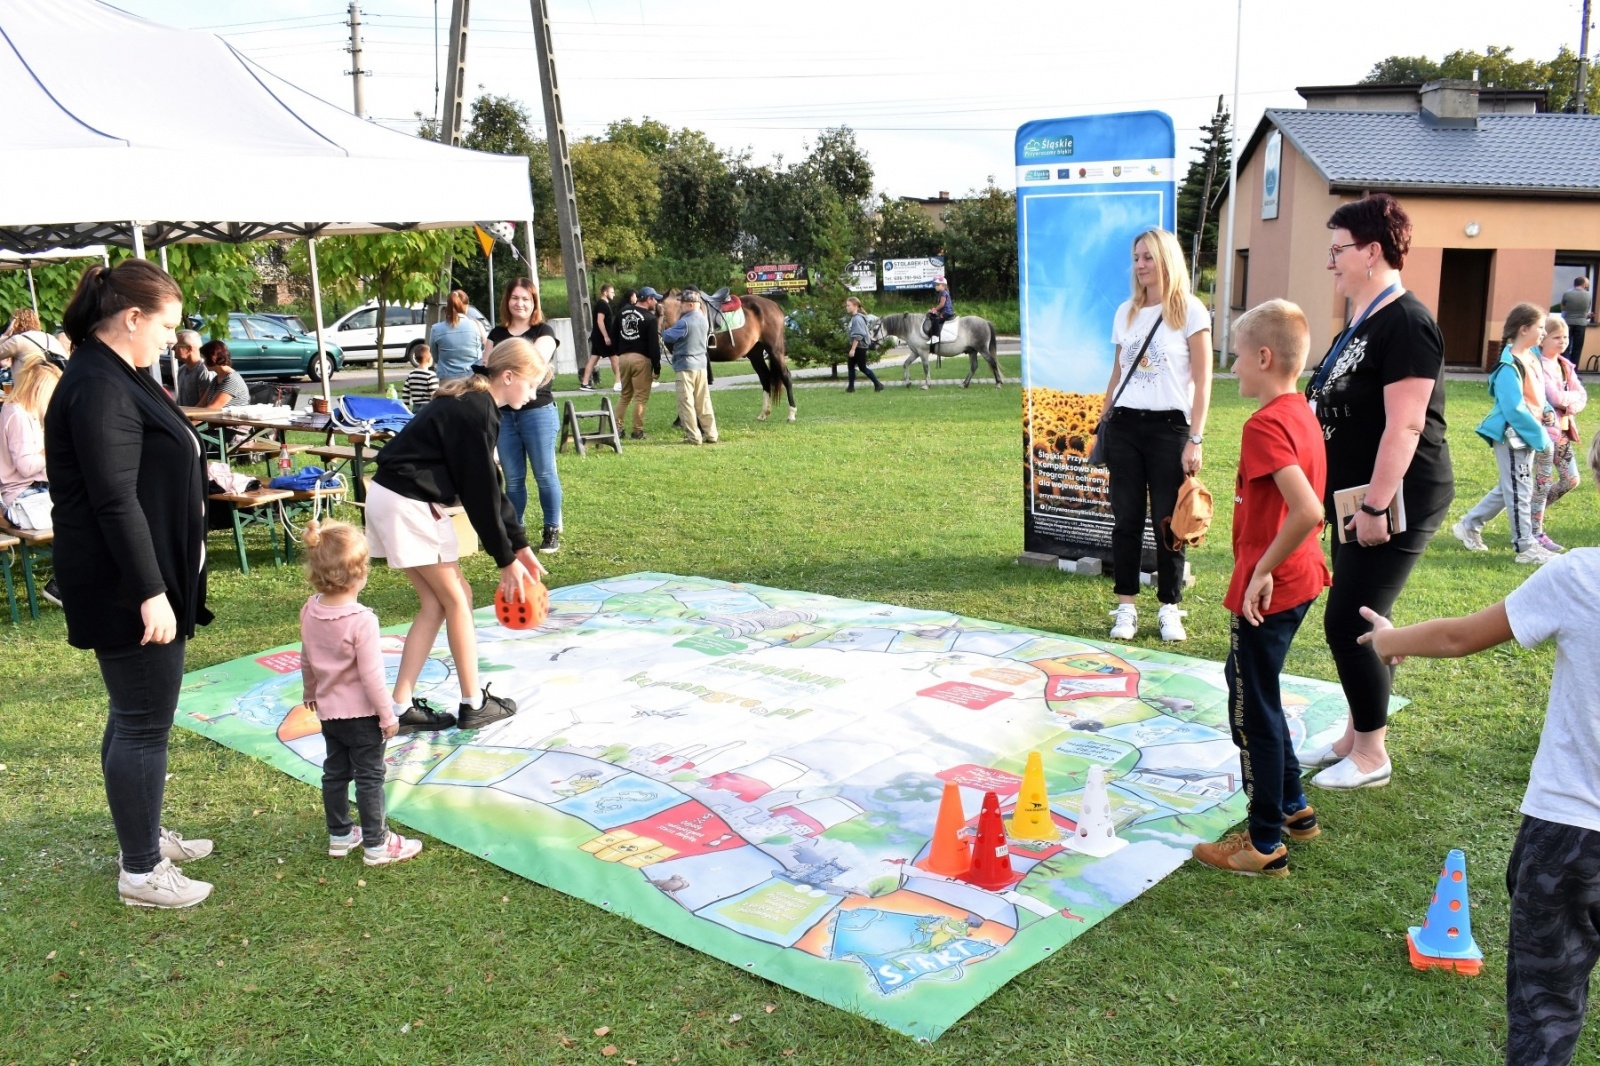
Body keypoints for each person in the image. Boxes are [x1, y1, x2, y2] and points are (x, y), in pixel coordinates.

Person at [1359, 445, 1600, 1066]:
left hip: (1569, 836)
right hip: (1568, 830)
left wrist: (1389, 638)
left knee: (1546, 1012)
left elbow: (1462, 635)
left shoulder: (1580, 576)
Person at [47, 258, 215, 909]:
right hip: (126, 586)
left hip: (141, 577)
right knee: (143, 721)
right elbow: (114, 499)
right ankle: (141, 872)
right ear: (132, 317)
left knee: (137, 718)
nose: (173, 341)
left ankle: (142, 836)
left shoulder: (118, 374)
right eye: (166, 326)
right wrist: (151, 592)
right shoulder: (99, 384)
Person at [1301, 193, 1454, 791]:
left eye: (1338, 250)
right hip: (1354, 496)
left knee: (1352, 621)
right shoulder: (1361, 319)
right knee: (1355, 615)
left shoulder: (1407, 321)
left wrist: (1373, 505)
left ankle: (1372, 754)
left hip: (1395, 497)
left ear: (1372, 251)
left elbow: (1407, 424)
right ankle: (1354, 735)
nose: (1331, 262)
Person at [1190, 299, 1328, 877]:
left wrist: (1263, 568)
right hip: (1300, 581)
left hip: (1270, 589)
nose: (1232, 366)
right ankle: (1294, 806)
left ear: (1265, 357)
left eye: (1238, 356)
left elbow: (1307, 510)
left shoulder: (1266, 423)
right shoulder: (1301, 411)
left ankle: (1265, 840)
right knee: (1254, 688)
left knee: (1251, 711)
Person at [367, 336, 547, 733]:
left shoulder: (475, 403)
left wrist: (520, 547)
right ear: (509, 375)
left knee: (435, 603)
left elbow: (491, 485)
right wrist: (505, 561)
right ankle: (473, 703)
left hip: (388, 496)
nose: (534, 394)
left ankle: (400, 706)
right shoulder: (478, 409)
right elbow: (479, 492)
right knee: (459, 599)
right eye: (531, 384)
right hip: (408, 503)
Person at [1101, 228, 1213, 643]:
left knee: (1171, 522)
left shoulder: (1190, 311)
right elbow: (1116, 372)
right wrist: (1104, 416)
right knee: (1126, 520)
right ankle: (1126, 606)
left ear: (1167, 259)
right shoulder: (1126, 312)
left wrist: (1195, 438)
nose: (1141, 264)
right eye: (1136, 258)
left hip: (1170, 428)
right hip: (1126, 426)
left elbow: (1203, 383)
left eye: (1149, 256)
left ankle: (1170, 607)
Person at [298, 519, 423, 867]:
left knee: (334, 773)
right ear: (361, 571)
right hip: (363, 716)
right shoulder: (361, 619)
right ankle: (377, 843)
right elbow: (371, 677)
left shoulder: (310, 608)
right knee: (370, 778)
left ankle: (340, 834)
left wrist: (311, 691)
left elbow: (306, 656)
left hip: (328, 713)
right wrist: (387, 715)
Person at [1451, 304, 1552, 564]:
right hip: (1512, 436)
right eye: (1540, 327)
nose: (1544, 332)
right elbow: (1514, 409)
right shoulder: (1508, 365)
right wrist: (1540, 438)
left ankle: (1469, 525)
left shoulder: (1532, 357)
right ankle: (1525, 547)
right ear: (1524, 328)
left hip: (1525, 434)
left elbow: (1539, 395)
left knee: (1511, 487)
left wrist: (1548, 411)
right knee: (1519, 489)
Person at [488, 278, 562, 554]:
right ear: (507, 301)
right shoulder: (495, 334)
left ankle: (552, 529)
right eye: (515, 298)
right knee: (514, 478)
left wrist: (505, 367)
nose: (520, 303)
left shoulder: (544, 330)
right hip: (504, 415)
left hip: (538, 411)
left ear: (534, 303)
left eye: (525, 299)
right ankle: (514, 531)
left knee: (545, 474)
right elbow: (488, 370)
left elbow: (534, 366)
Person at [1, 360, 64, 602]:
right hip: (22, 497)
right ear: (40, 389)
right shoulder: (18, 415)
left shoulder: (19, 411)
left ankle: (64, 582)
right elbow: (26, 466)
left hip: (30, 493)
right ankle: (59, 584)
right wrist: (53, 447)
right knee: (81, 516)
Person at [1531, 314, 1587, 551]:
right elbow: (1554, 397)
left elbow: (1581, 395)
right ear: (1544, 339)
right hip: (1544, 433)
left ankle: (1531, 513)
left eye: (1565, 337)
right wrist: (1566, 400)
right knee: (1542, 483)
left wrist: (1570, 403)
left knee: (1571, 479)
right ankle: (1535, 531)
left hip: (1562, 433)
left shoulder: (1565, 365)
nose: (1562, 341)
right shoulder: (1539, 365)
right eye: (1557, 337)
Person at [662, 289, 717, 446]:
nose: (681, 307)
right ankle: (711, 433)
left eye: (683, 304)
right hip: (701, 365)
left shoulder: (684, 322)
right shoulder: (704, 320)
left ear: (691, 305)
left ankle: (694, 436)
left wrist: (663, 327)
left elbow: (667, 336)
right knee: (703, 402)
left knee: (686, 403)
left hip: (685, 366)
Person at [615, 286, 662, 440]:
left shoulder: (622, 312)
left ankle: (617, 428)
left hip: (623, 358)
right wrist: (656, 366)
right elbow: (654, 346)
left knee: (625, 395)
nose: (655, 302)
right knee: (641, 397)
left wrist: (620, 351)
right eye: (654, 299)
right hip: (641, 359)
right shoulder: (650, 318)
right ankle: (637, 431)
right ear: (648, 299)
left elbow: (613, 334)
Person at [428, 289, 489, 383]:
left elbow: (436, 357)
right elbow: (486, 350)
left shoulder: (436, 329)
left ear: (448, 306)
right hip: (471, 379)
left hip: (447, 381)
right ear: (466, 306)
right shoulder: (477, 325)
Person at [579, 283, 620, 393]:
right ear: (605, 293)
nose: (614, 295)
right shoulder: (602, 304)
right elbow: (599, 321)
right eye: (612, 292)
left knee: (593, 359)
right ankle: (618, 382)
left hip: (598, 336)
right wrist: (606, 336)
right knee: (615, 358)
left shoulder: (603, 304)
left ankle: (585, 383)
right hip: (602, 337)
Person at [845, 297, 883, 393]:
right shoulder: (855, 317)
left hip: (859, 346)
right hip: (857, 346)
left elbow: (858, 335)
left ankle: (878, 384)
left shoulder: (857, 319)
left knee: (862, 367)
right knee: (851, 366)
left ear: (855, 306)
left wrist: (853, 349)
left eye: (848, 305)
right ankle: (851, 387)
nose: (847, 307)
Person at [196, 340, 248, 409]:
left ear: (213, 357)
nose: (203, 362)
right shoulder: (216, 379)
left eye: (204, 358)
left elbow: (212, 408)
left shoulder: (232, 380)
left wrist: (186, 419)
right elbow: (201, 405)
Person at [170, 330, 210, 407]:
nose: (173, 349)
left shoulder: (204, 370)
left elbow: (204, 405)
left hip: (195, 418)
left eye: (176, 345)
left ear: (189, 349)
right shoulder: (182, 369)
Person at [1561, 275, 1592, 366]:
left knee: (1565, 346)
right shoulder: (1588, 295)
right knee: (1577, 348)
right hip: (1581, 324)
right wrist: (1586, 315)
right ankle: (1574, 371)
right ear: (1583, 284)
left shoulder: (1567, 294)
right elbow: (1586, 310)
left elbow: (1563, 308)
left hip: (1568, 323)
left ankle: (1565, 368)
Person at [404, 343, 439, 411]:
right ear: (429, 359)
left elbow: (406, 392)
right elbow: (434, 394)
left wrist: (406, 407)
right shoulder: (431, 375)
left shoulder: (411, 374)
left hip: (415, 407)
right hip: (428, 408)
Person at [924, 277, 954, 348]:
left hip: (946, 312)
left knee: (936, 319)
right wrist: (933, 310)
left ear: (943, 285)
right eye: (936, 284)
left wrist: (933, 310)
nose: (936, 286)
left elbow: (941, 304)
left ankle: (935, 336)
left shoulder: (943, 293)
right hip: (943, 311)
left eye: (938, 284)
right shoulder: (941, 293)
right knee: (931, 316)